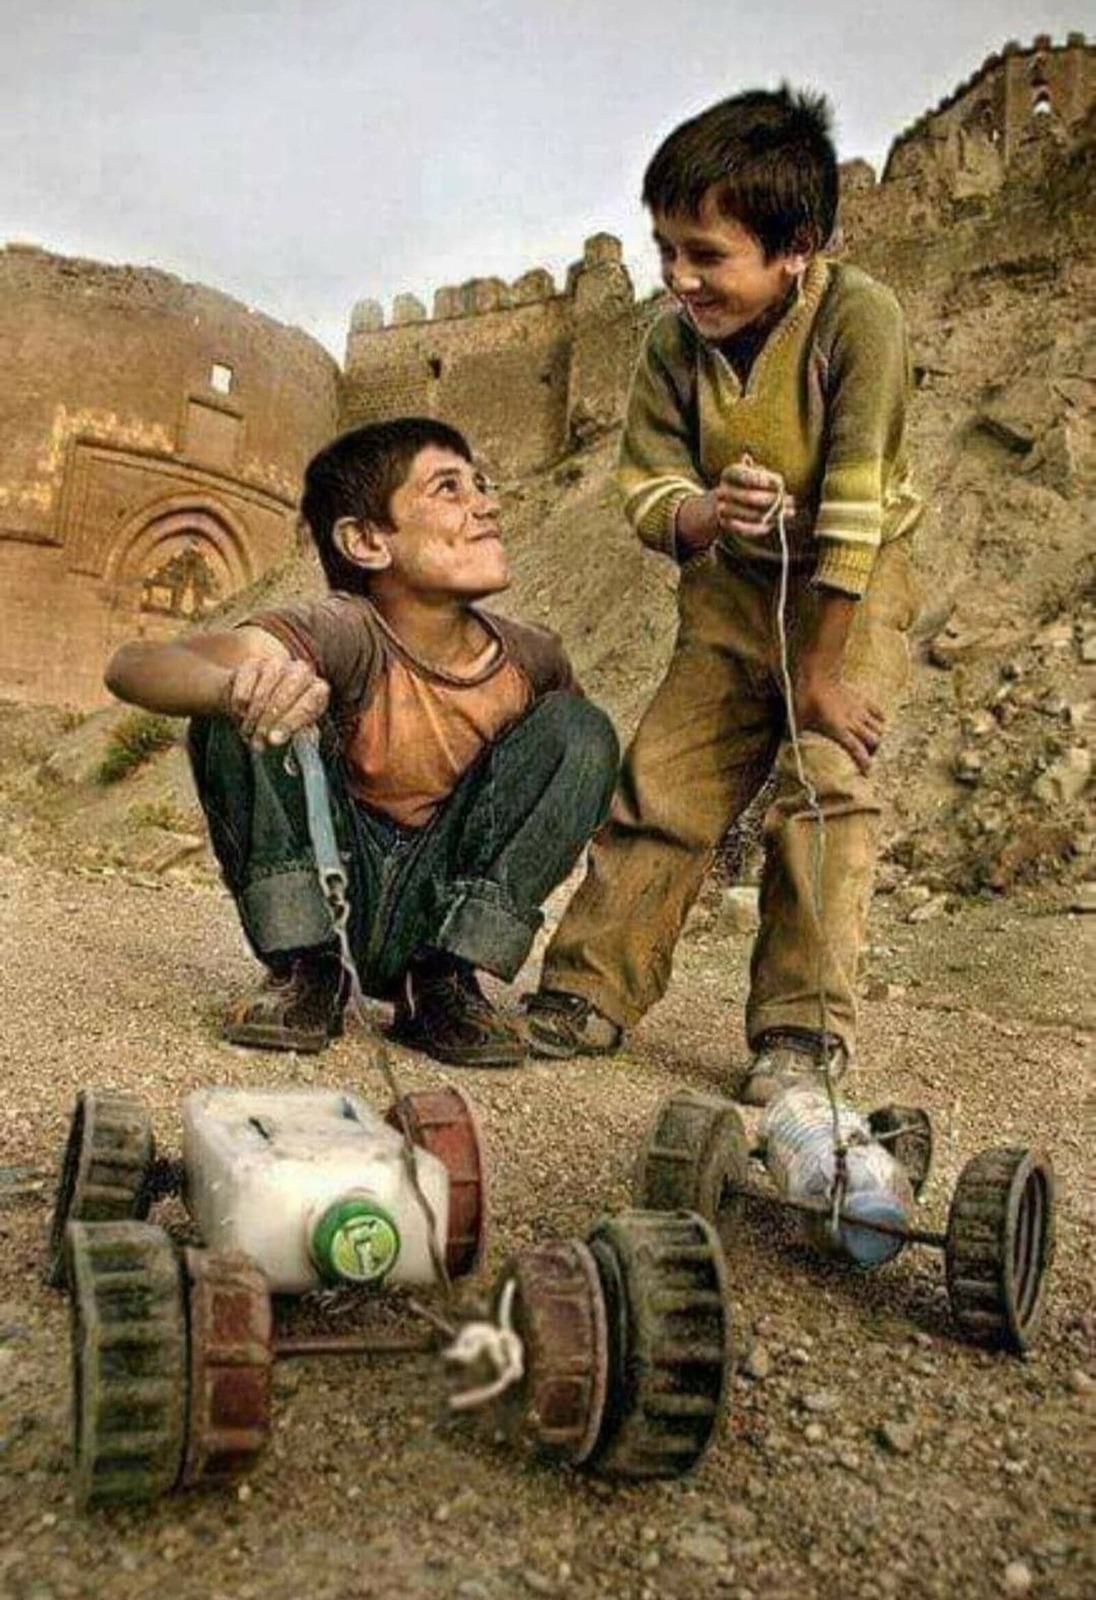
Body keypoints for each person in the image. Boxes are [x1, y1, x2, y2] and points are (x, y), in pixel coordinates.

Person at [523, 87, 921, 1104]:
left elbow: (855, 504)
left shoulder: (857, 321)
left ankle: (798, 1029)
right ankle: (588, 987)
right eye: (666, 251)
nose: (679, 279)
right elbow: (644, 481)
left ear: (797, 247)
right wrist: (704, 513)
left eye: (706, 255)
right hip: (728, 595)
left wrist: (823, 677)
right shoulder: (668, 347)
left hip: (849, 592)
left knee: (823, 787)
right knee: (666, 779)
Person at [105, 418, 619, 1067]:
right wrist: (238, 690)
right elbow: (134, 663)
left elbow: (564, 787)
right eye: (449, 489)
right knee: (248, 697)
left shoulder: (533, 659)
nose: (487, 505)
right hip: (335, 886)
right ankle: (307, 970)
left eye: (482, 487)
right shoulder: (342, 631)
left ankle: (442, 982)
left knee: (582, 731)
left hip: (439, 902)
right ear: (367, 540)